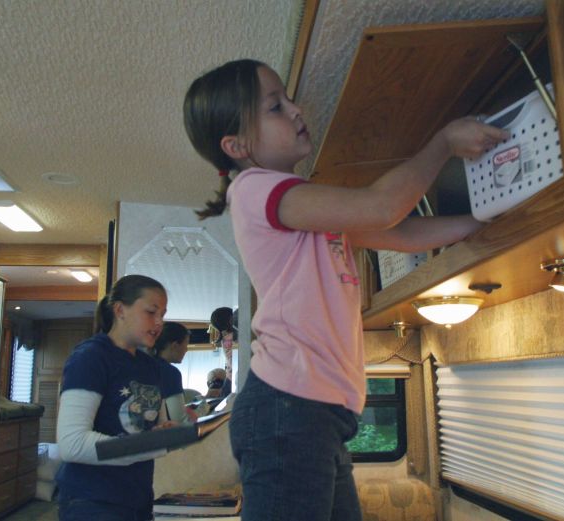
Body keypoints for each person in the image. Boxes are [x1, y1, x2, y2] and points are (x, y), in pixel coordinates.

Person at [183, 59, 508, 521]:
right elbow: (381, 208)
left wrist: (482, 220)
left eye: (289, 100)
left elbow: (401, 233)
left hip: (313, 415)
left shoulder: (302, 202)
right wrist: (444, 143)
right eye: (276, 106)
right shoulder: (256, 190)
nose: (297, 110)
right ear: (236, 146)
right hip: (288, 408)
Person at [56, 274, 178, 521]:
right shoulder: (91, 357)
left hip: (139, 498)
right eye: (151, 312)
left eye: (162, 315)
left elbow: (155, 428)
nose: (158, 322)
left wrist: (172, 432)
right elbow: (72, 443)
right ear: (120, 309)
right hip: (92, 500)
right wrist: (150, 445)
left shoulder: (152, 367)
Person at [150, 321, 197, 423]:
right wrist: (203, 411)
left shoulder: (146, 365)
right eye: (186, 345)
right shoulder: (170, 373)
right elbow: (179, 419)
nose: (186, 350)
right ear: (175, 345)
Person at [209, 306, 236, 396]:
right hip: (232, 379)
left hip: (230, 378)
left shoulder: (225, 338)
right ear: (230, 320)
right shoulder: (232, 338)